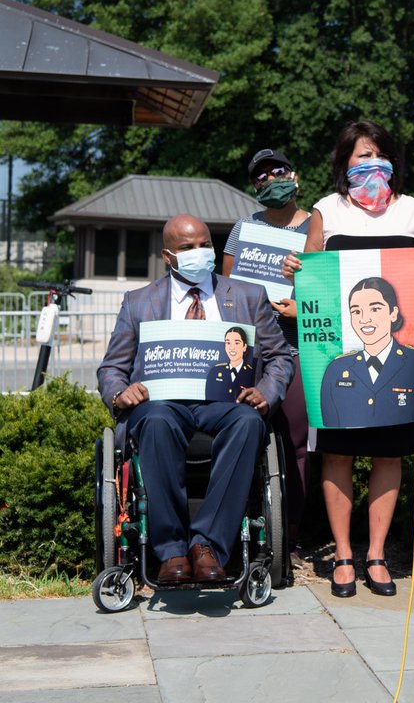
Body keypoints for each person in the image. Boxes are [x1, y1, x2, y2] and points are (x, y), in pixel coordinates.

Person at [97, 214, 293, 584]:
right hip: (162, 404)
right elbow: (111, 368)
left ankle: (207, 548)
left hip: (227, 403)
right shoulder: (139, 302)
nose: (199, 253)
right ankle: (171, 551)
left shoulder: (248, 296)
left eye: (205, 244)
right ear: (168, 256)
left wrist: (266, 393)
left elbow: (280, 356)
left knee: (249, 422)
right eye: (188, 248)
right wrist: (122, 393)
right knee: (155, 421)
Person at [282, 120, 414, 598]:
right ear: (343, 163)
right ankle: (343, 554)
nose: (368, 164)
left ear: (392, 160)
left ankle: (376, 554)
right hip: (337, 358)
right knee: (339, 454)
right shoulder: (326, 211)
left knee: (389, 454)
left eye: (376, 154)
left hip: (399, 360)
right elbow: (307, 280)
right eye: (358, 156)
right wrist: (295, 271)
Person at [222, 147, 312, 547]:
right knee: (246, 437)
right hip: (252, 353)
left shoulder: (317, 227)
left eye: (278, 171)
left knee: (296, 442)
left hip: (299, 350)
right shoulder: (243, 230)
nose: (271, 180)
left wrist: (303, 308)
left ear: (294, 177)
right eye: (262, 176)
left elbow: (334, 287)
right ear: (254, 187)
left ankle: (290, 532)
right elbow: (227, 294)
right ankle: (245, 523)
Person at [320, 277, 414, 427]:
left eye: (375, 309)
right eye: (356, 311)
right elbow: (332, 430)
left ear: (393, 313)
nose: (364, 319)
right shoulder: (337, 369)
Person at [205, 327, 255, 403]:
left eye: (237, 343)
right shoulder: (215, 371)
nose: (232, 347)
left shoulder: (251, 373)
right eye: (228, 343)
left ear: (244, 347)